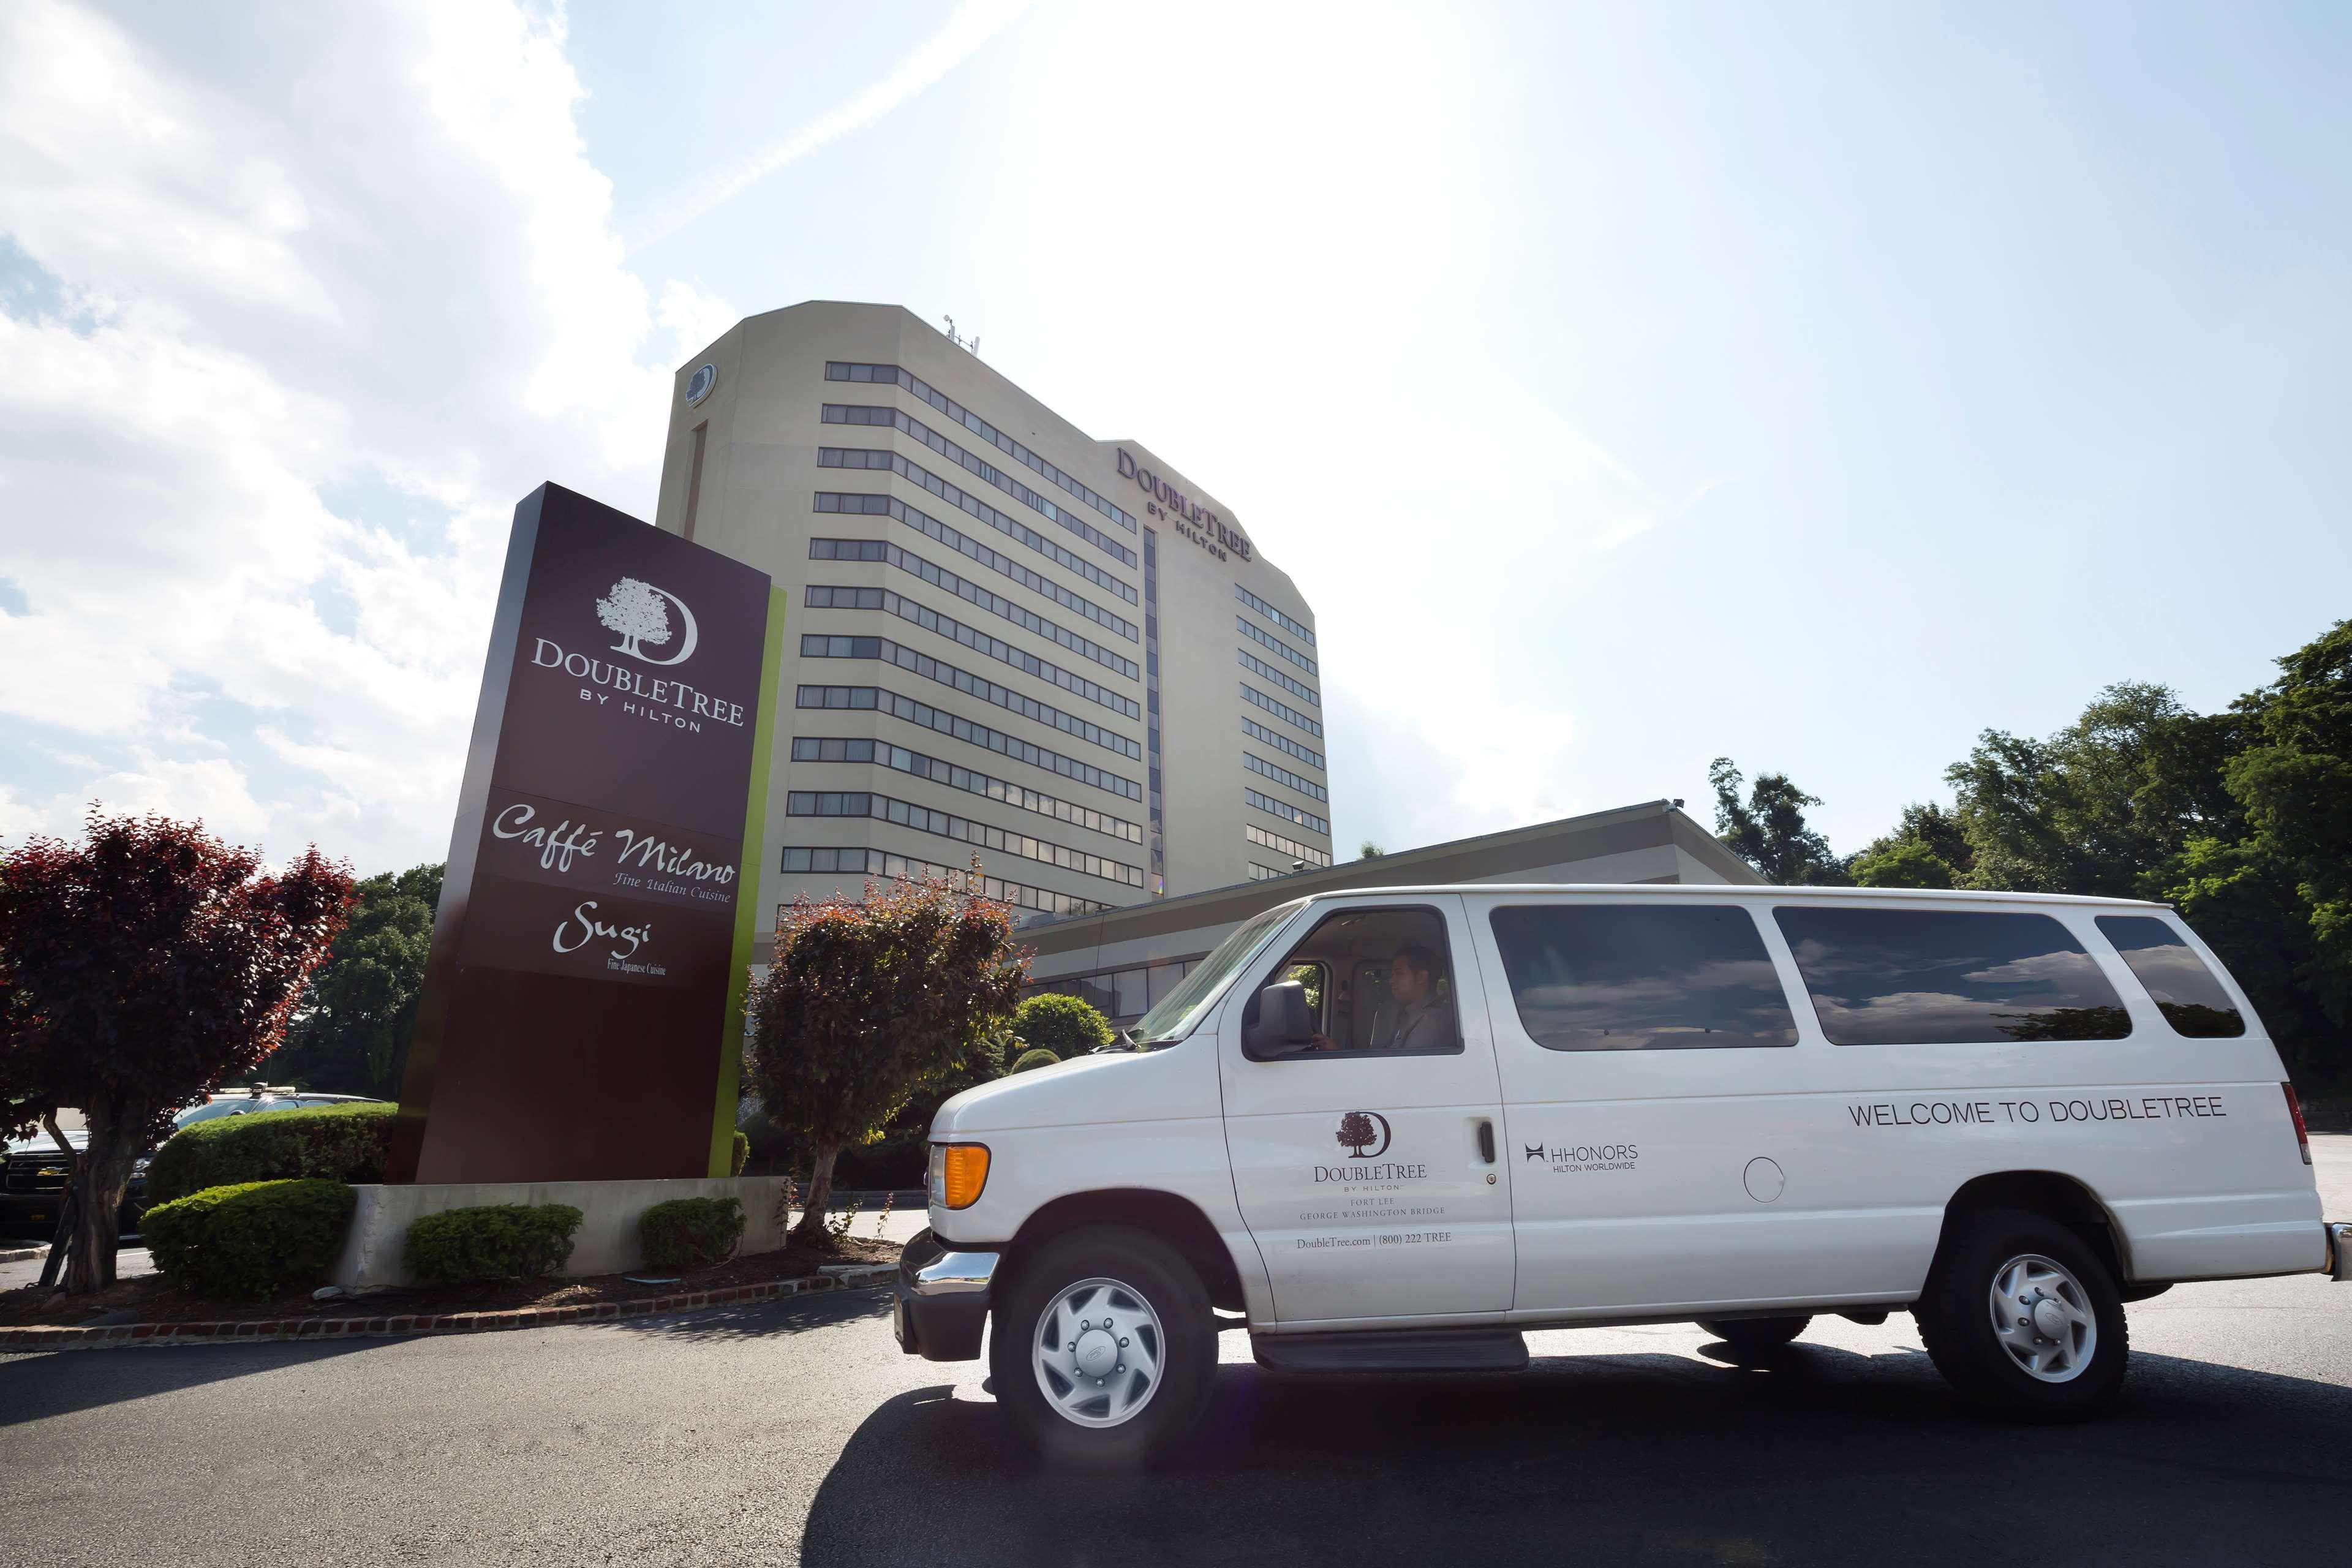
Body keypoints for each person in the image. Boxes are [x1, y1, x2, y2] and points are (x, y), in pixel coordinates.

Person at [1368, 944, 1457, 1050]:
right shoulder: (1397, 1012)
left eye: (1399, 974)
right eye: (1392, 975)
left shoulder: (1432, 1020)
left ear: (1421, 977)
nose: (1391, 981)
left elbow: (1405, 1065)